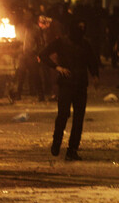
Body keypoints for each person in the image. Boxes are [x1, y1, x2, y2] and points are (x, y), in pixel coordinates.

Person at [39, 19, 99, 161]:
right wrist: (58, 68)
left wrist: (95, 75)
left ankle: (72, 150)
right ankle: (56, 143)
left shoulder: (85, 43)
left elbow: (92, 61)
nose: (81, 32)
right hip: (66, 85)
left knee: (78, 118)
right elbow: (42, 55)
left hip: (80, 85)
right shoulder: (61, 42)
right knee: (63, 115)